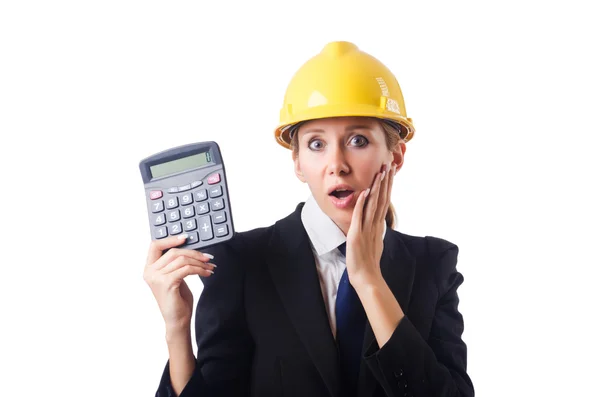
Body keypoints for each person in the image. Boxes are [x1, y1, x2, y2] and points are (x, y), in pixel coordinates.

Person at [145, 41, 474, 397]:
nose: (337, 164)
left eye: (358, 140)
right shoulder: (242, 262)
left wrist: (368, 280)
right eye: (317, 144)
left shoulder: (433, 265)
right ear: (298, 163)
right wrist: (177, 328)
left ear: (395, 157)